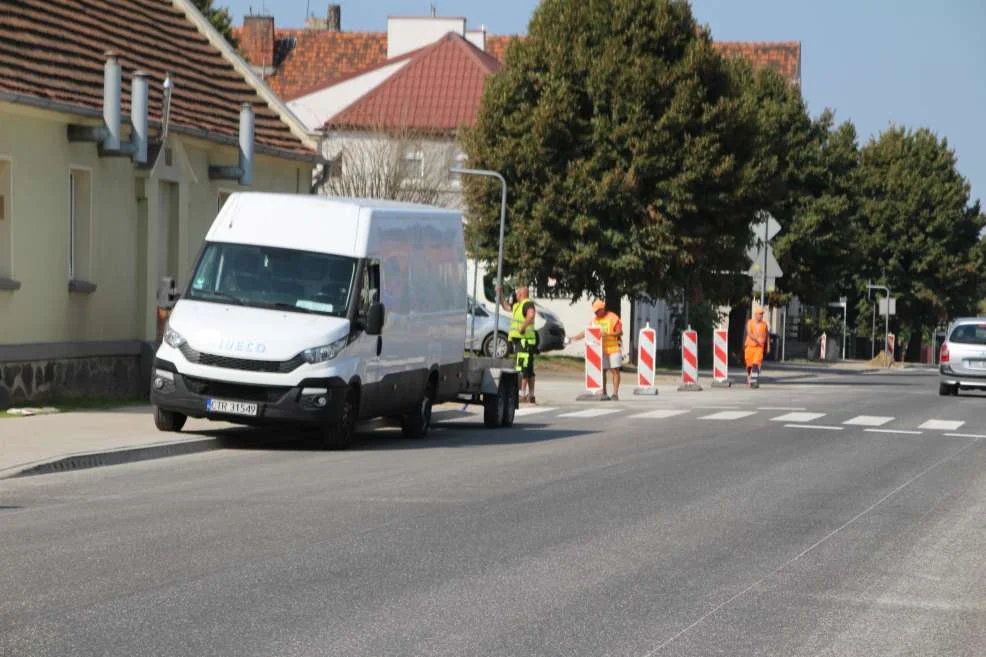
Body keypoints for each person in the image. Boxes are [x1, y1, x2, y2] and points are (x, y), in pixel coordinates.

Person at [567, 299, 623, 400]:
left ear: (603, 309)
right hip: (601, 349)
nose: (596, 313)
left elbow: (619, 332)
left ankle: (615, 393)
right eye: (595, 311)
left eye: (598, 311)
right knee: (603, 371)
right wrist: (573, 338)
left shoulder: (613, 317)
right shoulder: (595, 320)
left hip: (613, 348)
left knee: (615, 371)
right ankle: (604, 392)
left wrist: (607, 334)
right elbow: (586, 332)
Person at [500, 285, 538, 403]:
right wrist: (500, 294)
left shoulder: (527, 303)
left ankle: (522, 394)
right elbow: (506, 307)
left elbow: (531, 315)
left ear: (521, 294)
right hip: (523, 341)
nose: (515, 295)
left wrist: (523, 326)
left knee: (523, 367)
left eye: (517, 293)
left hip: (524, 340)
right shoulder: (518, 305)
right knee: (529, 368)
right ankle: (531, 394)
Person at [744, 305, 771, 387]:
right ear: (755, 314)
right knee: (749, 365)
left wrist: (768, 346)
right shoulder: (750, 322)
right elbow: (749, 333)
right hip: (750, 346)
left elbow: (767, 335)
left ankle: (754, 382)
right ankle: (749, 377)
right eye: (760, 314)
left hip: (759, 348)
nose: (761, 316)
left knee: (756, 364)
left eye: (762, 314)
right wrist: (756, 340)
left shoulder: (764, 324)